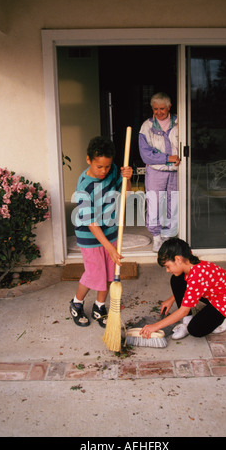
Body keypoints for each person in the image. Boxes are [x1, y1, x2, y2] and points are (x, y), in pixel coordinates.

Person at [70, 136, 132, 328]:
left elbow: (126, 194)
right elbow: (91, 223)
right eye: (99, 167)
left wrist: (127, 179)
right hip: (91, 236)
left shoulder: (112, 171)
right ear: (88, 160)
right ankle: (77, 303)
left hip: (111, 231)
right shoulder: (84, 187)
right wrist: (110, 248)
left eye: (107, 166)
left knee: (109, 273)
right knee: (94, 274)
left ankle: (99, 306)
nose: (104, 171)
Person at [140, 238, 226, 340]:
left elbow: (183, 310)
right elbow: (191, 288)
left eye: (168, 266)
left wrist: (155, 326)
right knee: (176, 279)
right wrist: (171, 300)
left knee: (195, 329)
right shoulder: (191, 264)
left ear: (178, 259)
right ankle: (186, 322)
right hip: (212, 294)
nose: (167, 270)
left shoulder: (198, 275)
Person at [139, 92, 180, 252]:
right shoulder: (146, 127)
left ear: (169, 107)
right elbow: (146, 155)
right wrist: (168, 157)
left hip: (176, 172)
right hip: (155, 172)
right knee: (155, 204)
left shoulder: (179, 122)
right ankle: (157, 238)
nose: (159, 112)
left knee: (174, 204)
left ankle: (168, 237)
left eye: (162, 108)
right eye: (155, 109)